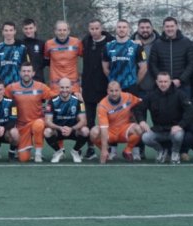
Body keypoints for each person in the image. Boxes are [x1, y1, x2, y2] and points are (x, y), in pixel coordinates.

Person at [138, 71, 193, 165]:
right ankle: (161, 151)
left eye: (165, 81)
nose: (163, 84)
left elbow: (190, 111)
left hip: (174, 130)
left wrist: (180, 125)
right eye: (160, 81)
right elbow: (139, 109)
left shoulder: (180, 94)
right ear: (156, 82)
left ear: (170, 81)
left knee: (178, 135)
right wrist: (142, 121)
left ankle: (175, 153)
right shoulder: (151, 95)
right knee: (145, 137)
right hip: (158, 130)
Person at [5, 62, 54, 163]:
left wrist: (74, 94)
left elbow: (55, 97)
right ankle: (23, 149)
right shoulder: (12, 88)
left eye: (28, 71)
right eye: (24, 71)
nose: (26, 73)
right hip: (21, 126)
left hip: (37, 121)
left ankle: (38, 154)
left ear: (33, 73)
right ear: (20, 73)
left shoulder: (41, 87)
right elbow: (1, 99)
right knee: (23, 159)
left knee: (39, 124)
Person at [80, 19, 112, 160]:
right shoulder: (85, 41)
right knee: (89, 119)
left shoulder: (110, 41)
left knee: (109, 117)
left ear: (101, 28)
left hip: (106, 85)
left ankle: (110, 147)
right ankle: (91, 148)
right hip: (89, 86)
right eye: (92, 28)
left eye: (97, 28)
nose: (94, 31)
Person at [90, 81, 143, 164]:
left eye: (116, 90)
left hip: (124, 129)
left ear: (120, 90)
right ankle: (107, 151)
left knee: (139, 128)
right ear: (107, 91)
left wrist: (138, 119)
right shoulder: (102, 105)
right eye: (111, 91)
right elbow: (104, 129)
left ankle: (127, 150)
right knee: (93, 132)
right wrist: (103, 150)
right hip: (110, 131)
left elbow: (141, 102)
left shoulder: (128, 97)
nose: (114, 93)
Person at [43, 78, 89, 163]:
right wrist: (60, 128)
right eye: (62, 87)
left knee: (85, 130)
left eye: (67, 87)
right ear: (58, 88)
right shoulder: (52, 101)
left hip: (73, 130)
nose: (64, 90)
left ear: (71, 87)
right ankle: (58, 151)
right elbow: (47, 121)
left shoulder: (78, 101)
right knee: (47, 131)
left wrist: (72, 129)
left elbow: (83, 121)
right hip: (58, 130)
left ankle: (75, 151)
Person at [148, 16, 193, 97]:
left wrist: (181, 80)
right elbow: (152, 64)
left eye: (172, 26)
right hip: (162, 87)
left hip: (183, 86)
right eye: (167, 26)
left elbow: (192, 63)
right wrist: (163, 81)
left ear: (176, 26)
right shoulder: (157, 44)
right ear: (163, 28)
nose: (169, 29)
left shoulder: (186, 42)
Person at [102, 19, 147, 94]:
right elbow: (105, 68)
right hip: (114, 88)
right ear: (116, 29)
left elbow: (144, 68)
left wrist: (135, 82)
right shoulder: (108, 46)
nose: (121, 29)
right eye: (119, 27)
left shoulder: (137, 46)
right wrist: (113, 81)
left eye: (124, 27)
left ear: (128, 29)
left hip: (131, 87)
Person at [44, 20, 83, 94]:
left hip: (73, 85)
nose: (62, 32)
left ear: (68, 31)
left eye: (64, 30)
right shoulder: (48, 44)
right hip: (56, 85)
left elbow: (84, 57)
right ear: (55, 31)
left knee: (75, 105)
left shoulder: (76, 43)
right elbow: (46, 60)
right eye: (59, 30)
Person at [0, 21, 29, 87]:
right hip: (2, 87)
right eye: (6, 30)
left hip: (18, 86)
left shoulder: (22, 48)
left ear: (15, 31)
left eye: (11, 30)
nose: (8, 33)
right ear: (2, 32)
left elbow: (27, 68)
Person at [133, 18, 159, 94]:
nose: (145, 30)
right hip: (136, 88)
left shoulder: (159, 43)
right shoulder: (130, 44)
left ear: (152, 28)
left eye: (147, 27)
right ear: (138, 29)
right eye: (142, 28)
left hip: (156, 88)